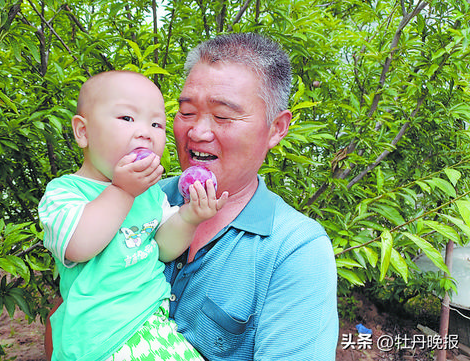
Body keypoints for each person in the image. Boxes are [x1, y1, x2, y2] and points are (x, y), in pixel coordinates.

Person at [159, 33, 339, 360]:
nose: (197, 132)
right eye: (186, 112)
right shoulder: (140, 199)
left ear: (276, 128)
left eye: (223, 116)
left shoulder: (295, 250)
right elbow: (69, 319)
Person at [38, 70, 228, 361]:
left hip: (153, 323)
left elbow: (163, 249)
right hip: (102, 338)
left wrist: (190, 216)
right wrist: (122, 192)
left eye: (157, 123)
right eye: (127, 118)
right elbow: (79, 246)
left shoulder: (150, 193)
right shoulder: (65, 193)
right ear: (83, 132)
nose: (145, 132)